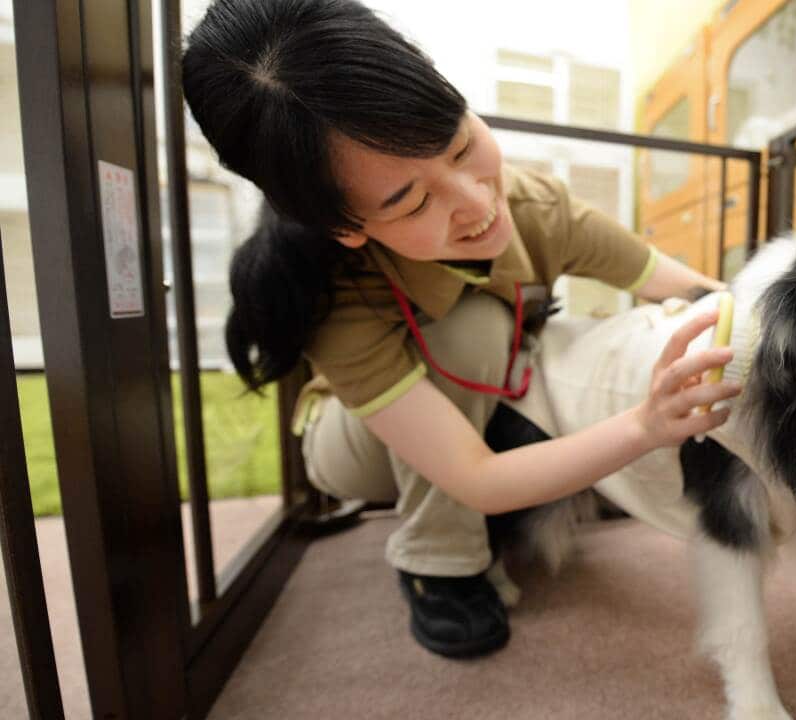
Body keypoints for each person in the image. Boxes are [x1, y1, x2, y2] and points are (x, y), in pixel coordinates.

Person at [182, 0, 739, 659]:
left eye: (460, 144)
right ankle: (438, 559)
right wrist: (645, 427)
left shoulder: (534, 204)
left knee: (553, 339)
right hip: (359, 450)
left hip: (481, 415)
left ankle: (530, 499)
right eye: (412, 201)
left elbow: (693, 289)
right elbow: (474, 476)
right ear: (346, 226)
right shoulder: (343, 295)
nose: (477, 204)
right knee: (473, 330)